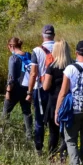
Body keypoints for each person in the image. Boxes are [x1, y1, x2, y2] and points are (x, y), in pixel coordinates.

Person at [26, 25, 57, 153]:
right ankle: (52, 151)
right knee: (53, 122)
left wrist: (29, 92)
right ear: (54, 35)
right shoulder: (60, 48)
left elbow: (33, 73)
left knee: (39, 120)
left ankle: (39, 149)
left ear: (42, 36)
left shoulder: (37, 51)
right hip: (56, 89)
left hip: (40, 89)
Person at [42, 40, 72, 158]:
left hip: (54, 101)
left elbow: (45, 87)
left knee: (53, 132)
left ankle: (51, 155)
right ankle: (64, 156)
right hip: (69, 102)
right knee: (67, 133)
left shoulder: (52, 67)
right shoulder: (72, 65)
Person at [3, 37, 33, 132]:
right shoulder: (29, 55)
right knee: (26, 112)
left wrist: (8, 91)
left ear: (11, 46)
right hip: (27, 88)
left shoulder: (13, 58)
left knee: (5, 112)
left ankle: (1, 132)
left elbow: (11, 76)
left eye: (9, 46)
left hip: (15, 88)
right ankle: (29, 135)